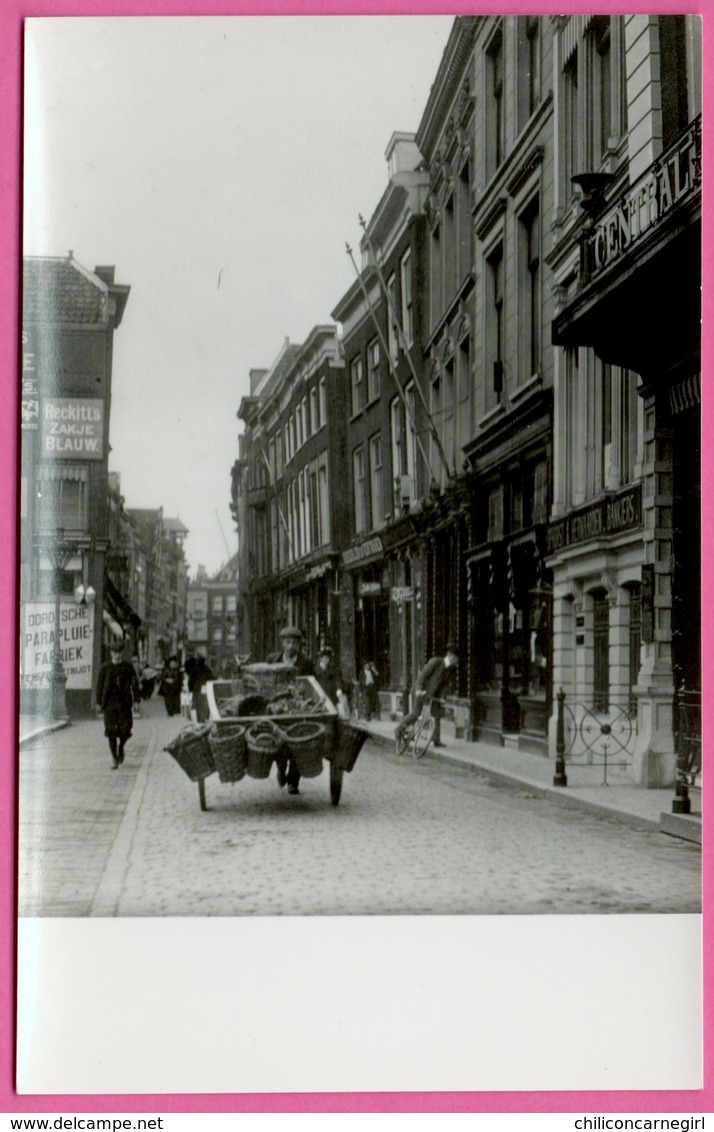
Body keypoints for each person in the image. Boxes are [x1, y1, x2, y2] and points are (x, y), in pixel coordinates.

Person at [267, 626, 313, 794]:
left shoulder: (306, 662)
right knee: (278, 739)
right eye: (288, 642)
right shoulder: (273, 660)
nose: (291, 645)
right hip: (277, 707)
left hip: (298, 707)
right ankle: (280, 767)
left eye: (294, 642)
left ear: (299, 644)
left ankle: (293, 781)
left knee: (299, 741)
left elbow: (311, 685)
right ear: (282, 643)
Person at [394, 642, 459, 752]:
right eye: (456, 659)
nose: (456, 662)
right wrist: (419, 689)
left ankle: (436, 741)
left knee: (437, 715)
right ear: (450, 656)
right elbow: (422, 676)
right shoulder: (436, 662)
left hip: (433, 696)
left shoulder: (449, 671)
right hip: (421, 691)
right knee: (415, 714)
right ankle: (399, 728)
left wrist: (443, 697)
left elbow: (445, 686)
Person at [96, 639, 141, 769]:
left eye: (120, 652)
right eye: (115, 652)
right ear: (111, 653)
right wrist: (98, 703)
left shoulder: (128, 667)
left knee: (125, 730)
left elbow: (134, 684)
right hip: (109, 704)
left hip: (124, 703)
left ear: (122, 653)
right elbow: (99, 686)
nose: (117, 655)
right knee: (111, 732)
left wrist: (137, 700)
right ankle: (114, 758)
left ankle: (121, 747)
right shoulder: (105, 667)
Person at [187, 652, 214, 722]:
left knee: (197, 705)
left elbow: (190, 681)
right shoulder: (207, 669)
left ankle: (199, 719)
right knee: (205, 704)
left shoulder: (194, 670)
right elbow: (211, 679)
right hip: (206, 689)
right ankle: (206, 718)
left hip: (196, 690)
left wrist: (190, 689)